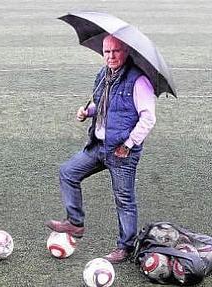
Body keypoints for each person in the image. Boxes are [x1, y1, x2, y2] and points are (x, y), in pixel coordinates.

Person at [45, 35, 157, 263]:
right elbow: (106, 105)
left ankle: (125, 247)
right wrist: (88, 112)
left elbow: (148, 118)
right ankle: (75, 223)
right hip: (98, 146)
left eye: (116, 51)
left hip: (121, 151)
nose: (111, 56)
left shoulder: (138, 81)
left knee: (124, 200)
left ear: (126, 52)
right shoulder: (103, 75)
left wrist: (128, 145)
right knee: (68, 172)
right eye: (107, 52)